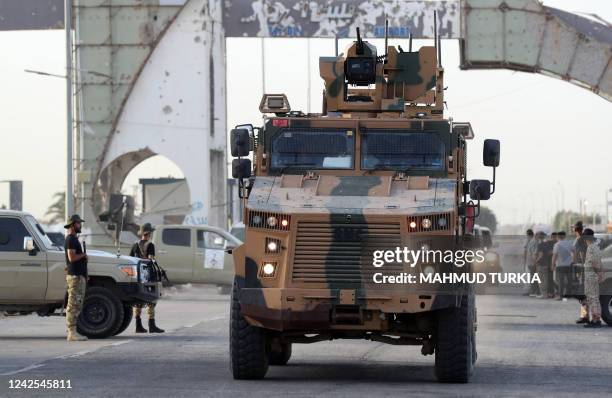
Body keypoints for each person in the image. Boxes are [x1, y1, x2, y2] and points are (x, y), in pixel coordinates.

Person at [129, 223, 164, 334]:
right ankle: (151, 325)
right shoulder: (150, 245)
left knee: (138, 300)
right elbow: (151, 260)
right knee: (151, 300)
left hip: (137, 276)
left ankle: (138, 325)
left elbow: (130, 259)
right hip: (148, 276)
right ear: (148, 233)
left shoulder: (135, 245)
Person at [64, 214, 88, 342]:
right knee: (73, 304)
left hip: (78, 275)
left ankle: (72, 331)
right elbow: (71, 258)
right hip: (75, 276)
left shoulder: (74, 238)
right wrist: (83, 255)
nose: (80, 225)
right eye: (78, 223)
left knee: (76, 304)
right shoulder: (71, 239)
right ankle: (71, 333)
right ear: (73, 224)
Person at [581, 229, 603, 328]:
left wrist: (598, 272)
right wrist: (600, 274)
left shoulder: (590, 248)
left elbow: (593, 262)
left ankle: (595, 320)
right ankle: (596, 319)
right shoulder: (597, 247)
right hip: (594, 276)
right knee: (595, 298)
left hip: (591, 276)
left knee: (592, 298)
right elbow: (599, 262)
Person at [572, 221, 589, 323]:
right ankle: (584, 315)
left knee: (583, 293)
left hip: (582, 268)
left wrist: (578, 266)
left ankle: (585, 316)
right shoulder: (585, 239)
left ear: (575, 229)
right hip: (586, 267)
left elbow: (580, 254)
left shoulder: (578, 240)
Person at [552, 231, 572, 299]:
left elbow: (554, 256)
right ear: (564, 236)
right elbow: (575, 251)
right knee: (569, 280)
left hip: (560, 265)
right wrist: (574, 260)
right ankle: (568, 294)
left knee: (560, 281)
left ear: (558, 237)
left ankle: (560, 295)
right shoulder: (569, 243)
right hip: (569, 265)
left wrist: (553, 264)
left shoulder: (557, 244)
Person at [535, 232, 555, 298]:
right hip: (546, 263)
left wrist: (536, 261)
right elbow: (550, 252)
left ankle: (543, 294)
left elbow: (540, 255)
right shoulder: (547, 244)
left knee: (540, 280)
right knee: (545, 279)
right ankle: (546, 294)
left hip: (540, 264)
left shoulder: (540, 245)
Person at [526, 229, 540, 297]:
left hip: (530, 262)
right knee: (535, 278)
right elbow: (534, 254)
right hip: (533, 263)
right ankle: (535, 291)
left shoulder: (531, 241)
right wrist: (536, 263)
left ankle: (533, 291)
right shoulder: (535, 242)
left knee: (533, 277)